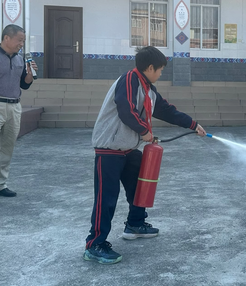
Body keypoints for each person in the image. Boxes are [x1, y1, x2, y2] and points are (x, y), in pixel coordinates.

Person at [84, 46, 206, 265]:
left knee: (141, 186)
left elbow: (166, 110)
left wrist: (192, 124)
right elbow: (125, 109)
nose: (161, 74)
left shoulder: (148, 88)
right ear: (150, 68)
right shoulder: (129, 80)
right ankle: (95, 244)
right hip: (109, 149)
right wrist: (144, 131)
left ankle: (135, 224)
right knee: (106, 198)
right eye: (160, 70)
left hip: (129, 149)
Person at [0, 24, 38, 209]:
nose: (22, 44)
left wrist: (29, 75)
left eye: (23, 41)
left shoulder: (20, 59)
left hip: (14, 106)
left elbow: (24, 85)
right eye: (19, 40)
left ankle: (1, 184)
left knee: (7, 147)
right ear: (6, 38)